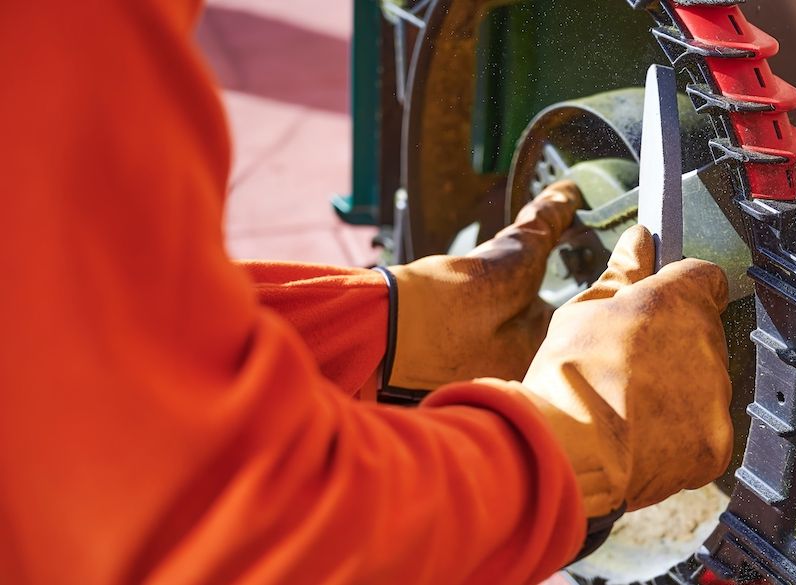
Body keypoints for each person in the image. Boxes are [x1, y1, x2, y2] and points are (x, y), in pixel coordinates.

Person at [0, 2, 734, 584]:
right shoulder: (62, 34)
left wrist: (385, 325)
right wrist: (579, 440)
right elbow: (227, 539)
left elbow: (76, 356)